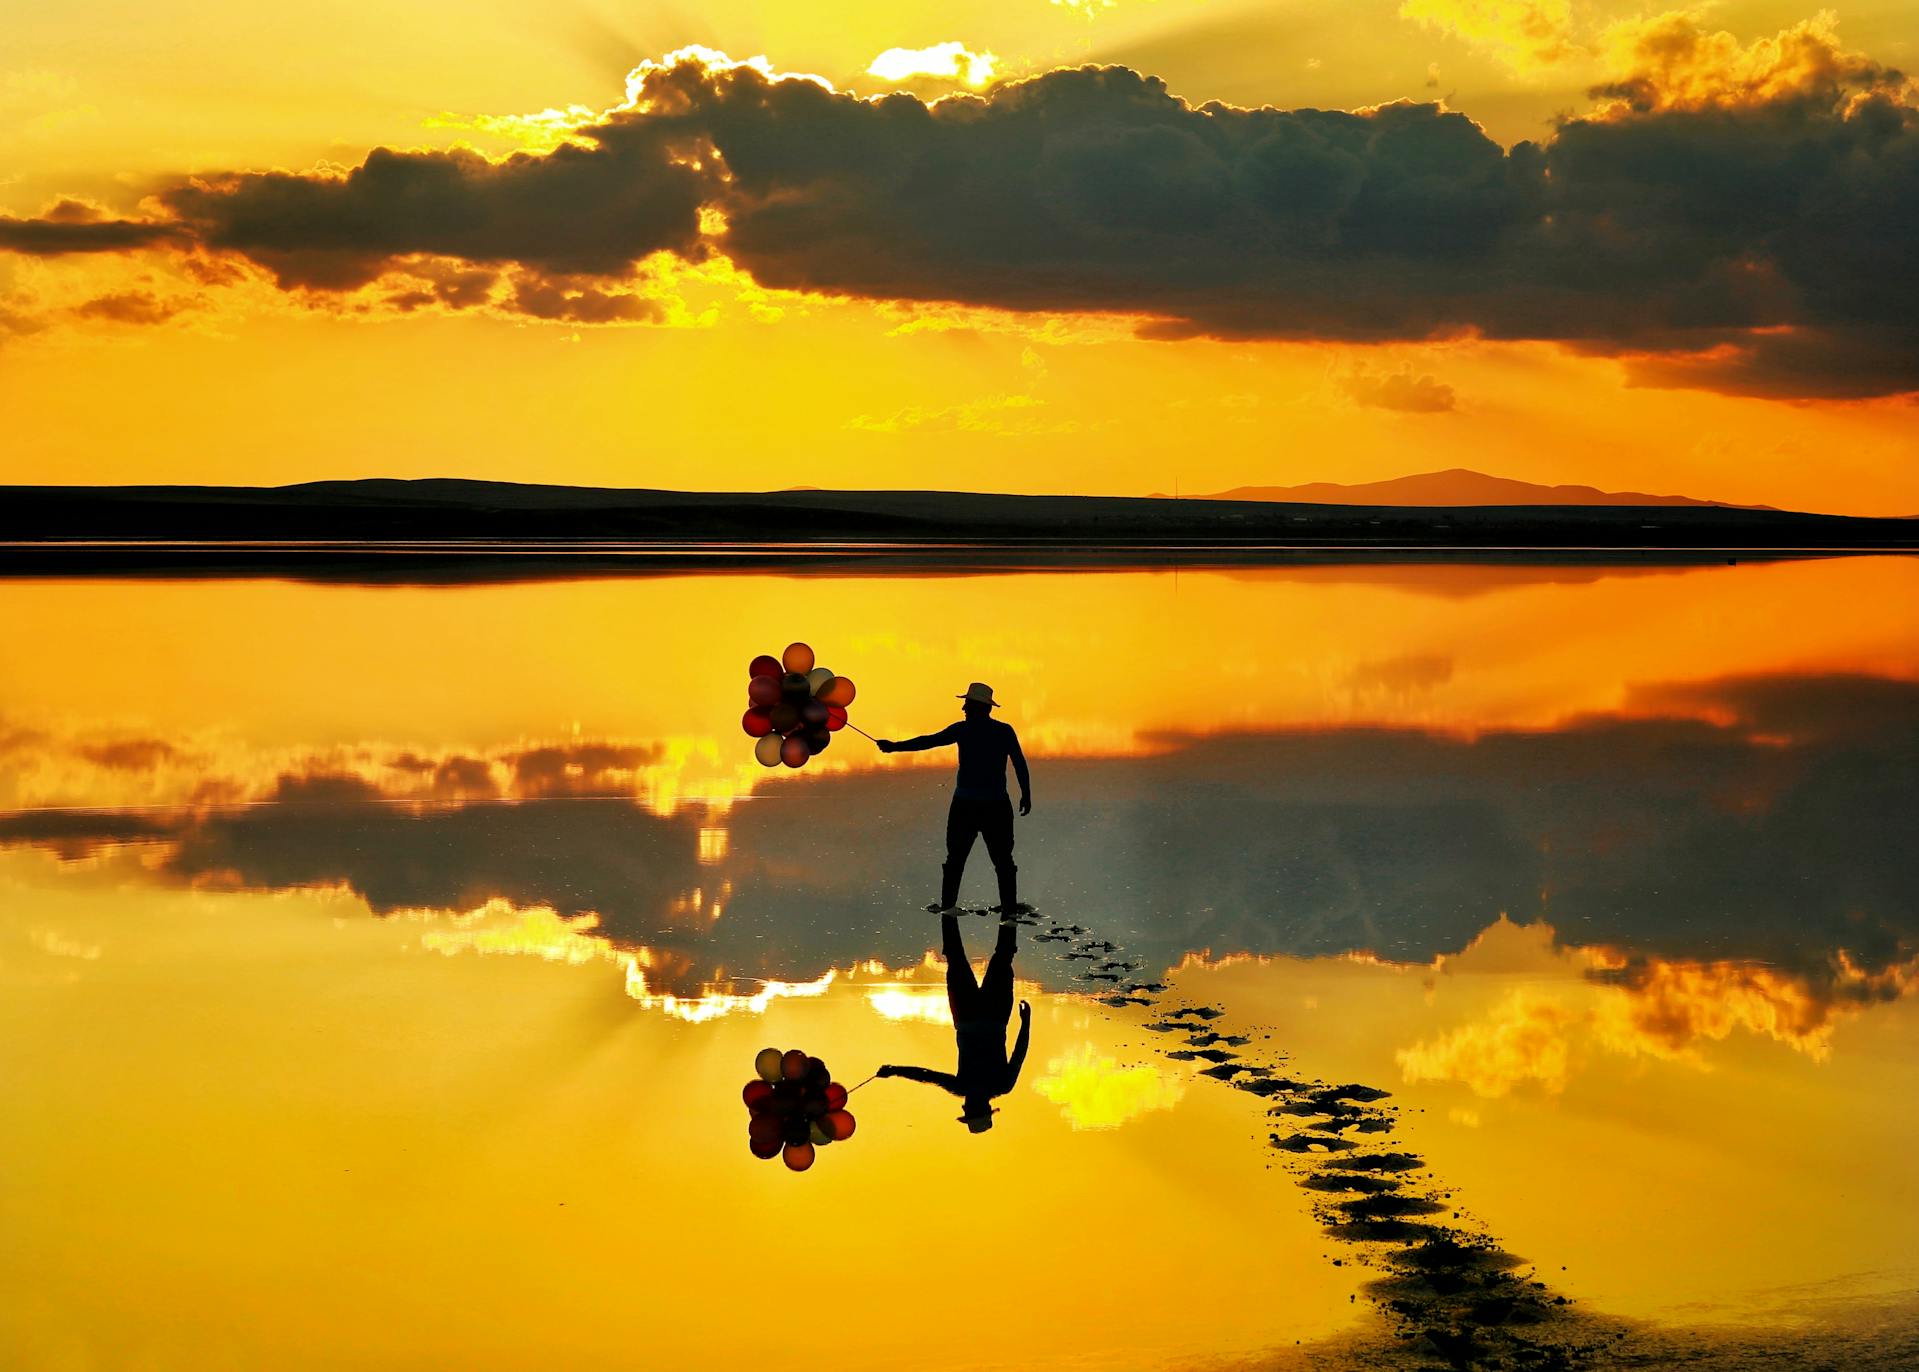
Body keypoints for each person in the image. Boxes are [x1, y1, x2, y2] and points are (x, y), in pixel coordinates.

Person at [877, 682, 1032, 914]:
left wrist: (894, 747)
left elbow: (929, 741)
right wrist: (1026, 794)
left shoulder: (964, 730)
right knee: (1002, 862)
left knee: (957, 860)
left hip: (967, 806)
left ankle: (948, 908)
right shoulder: (1002, 731)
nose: (963, 708)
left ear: (980, 707)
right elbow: (1019, 763)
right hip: (995, 806)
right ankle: (1008, 911)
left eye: (967, 704)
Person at [877, 913, 1031, 1132]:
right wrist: (894, 1070)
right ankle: (952, 912)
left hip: (989, 1015)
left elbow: (1019, 1054)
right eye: (968, 1109)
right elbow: (926, 1076)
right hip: (973, 1015)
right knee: (961, 956)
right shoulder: (973, 1086)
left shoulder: (997, 1086)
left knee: (998, 956)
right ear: (976, 1108)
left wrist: (1026, 1023)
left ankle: (993, 911)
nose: (964, 1105)